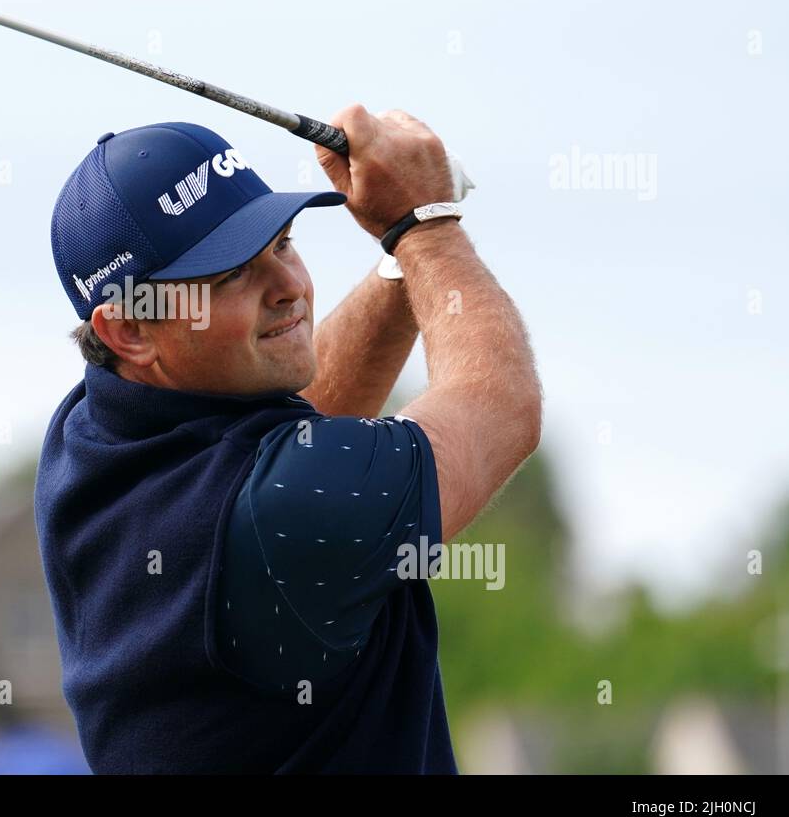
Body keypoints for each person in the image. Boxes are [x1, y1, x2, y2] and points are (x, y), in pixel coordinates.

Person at [33, 107, 542, 773]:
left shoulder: (91, 436)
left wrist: (402, 250)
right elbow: (499, 410)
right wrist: (429, 229)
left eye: (281, 243)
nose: (290, 287)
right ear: (129, 329)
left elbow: (291, 418)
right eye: (231, 275)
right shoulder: (279, 517)